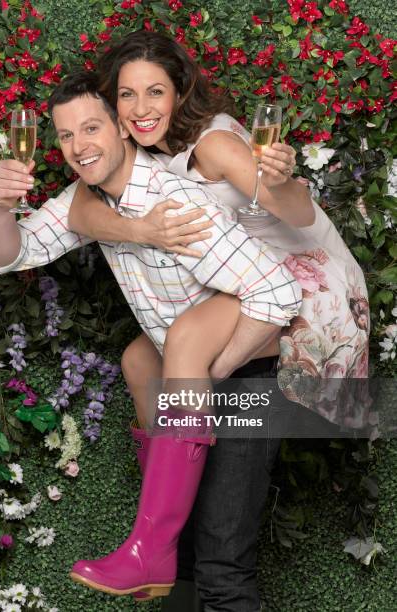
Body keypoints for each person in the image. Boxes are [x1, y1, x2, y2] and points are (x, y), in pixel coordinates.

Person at [64, 30, 370, 610]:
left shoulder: (212, 145)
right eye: (126, 96)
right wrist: (140, 230)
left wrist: (280, 181)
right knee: (138, 358)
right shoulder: (135, 156)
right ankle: (154, 537)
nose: (141, 108)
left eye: (155, 91)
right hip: (240, 318)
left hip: (288, 328)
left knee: (221, 557)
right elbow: (79, 205)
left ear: (181, 93)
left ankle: (156, 532)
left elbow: (299, 210)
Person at [0, 70, 302, 602]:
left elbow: (279, 293)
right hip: (187, 382)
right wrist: (0, 205)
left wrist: (209, 368)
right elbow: (7, 256)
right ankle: (152, 551)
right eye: (65, 136)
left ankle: (148, 545)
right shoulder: (87, 201)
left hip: (251, 371)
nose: (80, 146)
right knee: (184, 557)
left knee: (221, 558)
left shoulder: (177, 205)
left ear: (122, 130)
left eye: (91, 128)